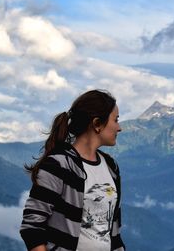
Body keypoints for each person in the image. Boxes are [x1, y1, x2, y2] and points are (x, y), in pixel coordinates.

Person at [20, 89, 126, 251]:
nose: (119, 128)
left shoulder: (111, 166)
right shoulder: (58, 165)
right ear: (97, 124)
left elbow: (114, 230)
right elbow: (32, 227)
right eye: (116, 120)